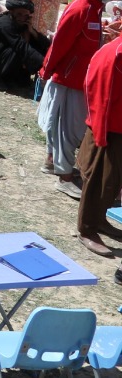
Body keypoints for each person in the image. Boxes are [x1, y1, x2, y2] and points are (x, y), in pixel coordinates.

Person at [40, 0, 111, 200]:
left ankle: (52, 162)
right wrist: (46, 71)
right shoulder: (80, 8)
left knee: (65, 127)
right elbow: (60, 42)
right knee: (68, 131)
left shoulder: (96, 9)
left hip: (82, 80)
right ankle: (65, 177)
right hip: (69, 79)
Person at [78, 23, 122, 258]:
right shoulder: (116, 54)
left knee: (113, 183)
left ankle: (100, 220)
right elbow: (101, 96)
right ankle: (87, 230)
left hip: (117, 128)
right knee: (98, 181)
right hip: (108, 129)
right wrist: (101, 135)